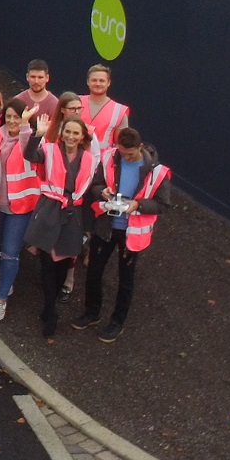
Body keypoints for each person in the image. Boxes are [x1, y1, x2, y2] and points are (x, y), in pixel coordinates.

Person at [76, 126, 169, 342]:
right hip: (106, 226)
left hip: (132, 233)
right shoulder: (110, 157)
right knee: (94, 271)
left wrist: (137, 204)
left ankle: (117, 322)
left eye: (130, 154)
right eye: (122, 152)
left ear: (141, 147)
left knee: (125, 279)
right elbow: (96, 184)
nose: (125, 157)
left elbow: (162, 204)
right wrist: (102, 192)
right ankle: (92, 312)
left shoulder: (156, 171)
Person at [23, 112, 100, 338]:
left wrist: (88, 225)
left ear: (83, 136)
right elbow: (30, 155)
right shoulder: (49, 150)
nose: (71, 136)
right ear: (62, 133)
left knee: (62, 263)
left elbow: (90, 190)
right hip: (49, 210)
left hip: (73, 214)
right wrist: (37, 135)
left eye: (76, 133)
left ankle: (50, 304)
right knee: (47, 263)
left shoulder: (89, 159)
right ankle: (51, 311)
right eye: (68, 131)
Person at [0, 100, 40, 321]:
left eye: (16, 117)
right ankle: (5, 285)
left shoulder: (33, 139)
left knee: (10, 251)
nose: (11, 121)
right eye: (8, 116)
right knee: (0, 246)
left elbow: (29, 152)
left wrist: (26, 126)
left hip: (21, 205)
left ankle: (1, 300)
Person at [82, 65, 132, 151]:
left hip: (104, 162)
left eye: (102, 81)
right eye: (94, 80)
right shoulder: (75, 103)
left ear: (108, 83)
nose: (98, 84)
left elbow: (121, 144)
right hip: (74, 159)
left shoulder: (119, 111)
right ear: (87, 82)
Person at [21, 60, 59, 124]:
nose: (36, 81)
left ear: (47, 78)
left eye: (40, 77)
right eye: (33, 77)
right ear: (27, 77)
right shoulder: (18, 100)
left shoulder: (55, 104)